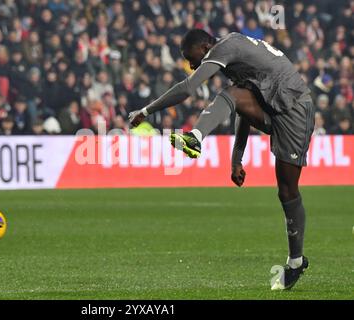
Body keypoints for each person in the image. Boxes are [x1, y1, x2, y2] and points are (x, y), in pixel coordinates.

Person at [129, 29, 315, 290]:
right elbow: (242, 107)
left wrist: (146, 110)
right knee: (233, 94)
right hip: (275, 106)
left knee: (287, 191)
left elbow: (188, 88)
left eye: (190, 57)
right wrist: (236, 159)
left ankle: (296, 262)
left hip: (295, 109)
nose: (191, 64)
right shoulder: (233, 55)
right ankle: (195, 136)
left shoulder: (225, 48)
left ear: (205, 46)